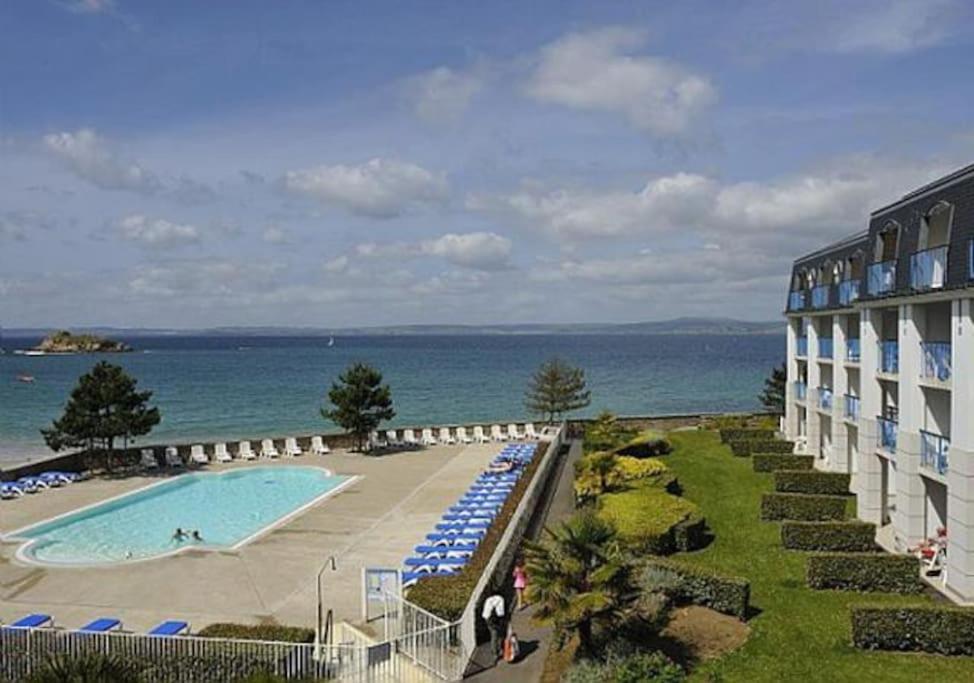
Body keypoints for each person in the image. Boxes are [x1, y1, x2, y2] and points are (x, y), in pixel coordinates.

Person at [481, 591, 505, 663]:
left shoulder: (488, 599)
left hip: (488, 618)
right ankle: (498, 650)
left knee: (493, 634)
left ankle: (495, 652)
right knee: (499, 634)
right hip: (497, 618)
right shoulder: (500, 599)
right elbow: (501, 612)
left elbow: (485, 612)